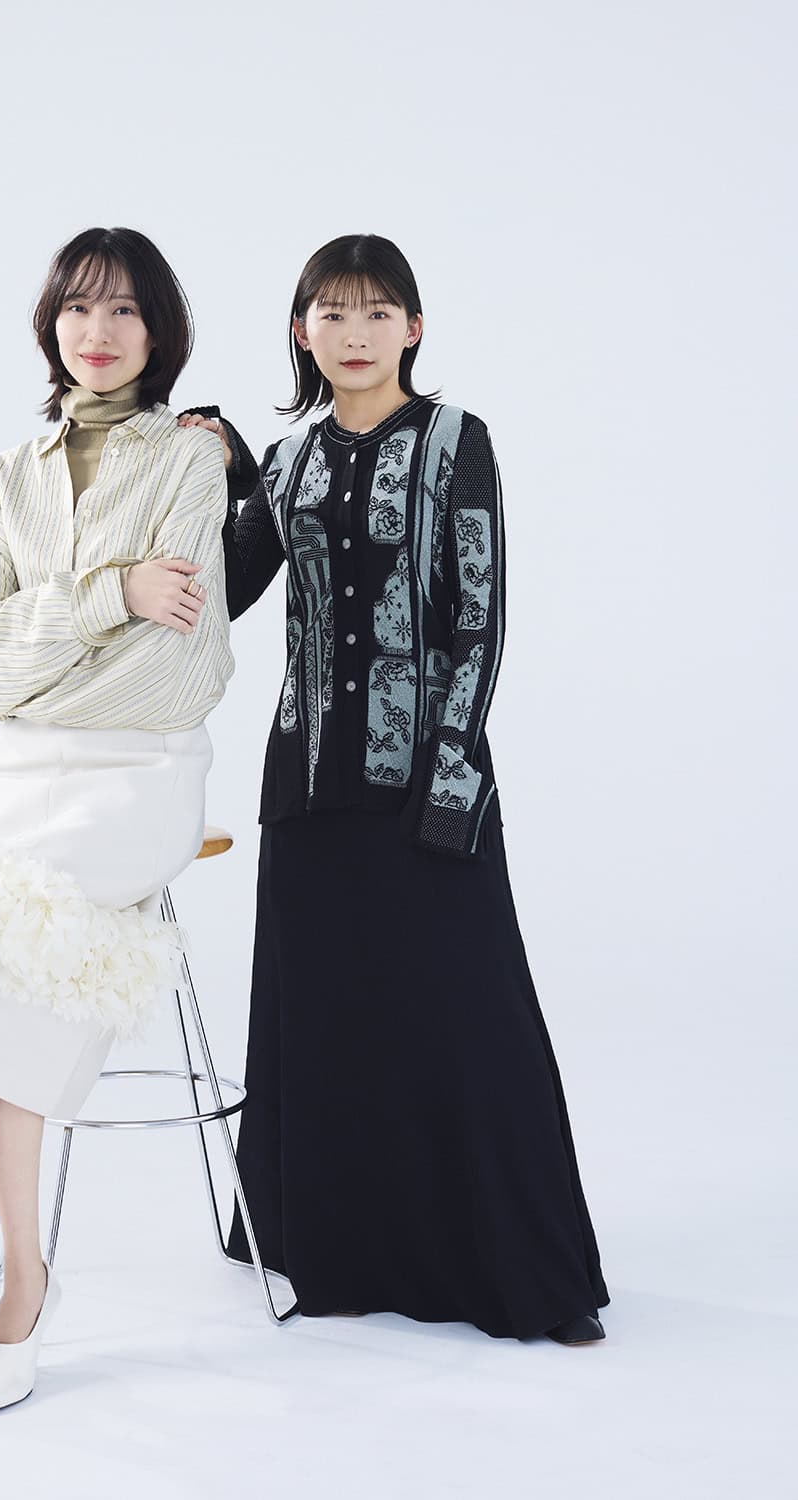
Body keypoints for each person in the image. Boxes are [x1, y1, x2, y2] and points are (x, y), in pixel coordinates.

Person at [0, 227, 255, 1410]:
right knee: (2, 966)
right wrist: (112, 593)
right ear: (49, 324)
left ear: (160, 332)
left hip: (139, 777)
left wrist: (46, 646)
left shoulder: (189, 457)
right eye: (78, 307)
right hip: (20, 777)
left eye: (125, 310)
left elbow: (175, 669)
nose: (99, 331)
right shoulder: (8, 475)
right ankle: (19, 1285)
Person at [179, 234, 609, 1344]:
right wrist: (225, 473)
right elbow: (227, 590)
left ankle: (515, 1269)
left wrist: (453, 779)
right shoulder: (290, 460)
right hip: (307, 782)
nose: (355, 333)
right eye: (332, 312)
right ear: (301, 331)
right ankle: (333, 1248)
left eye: (377, 312)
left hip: (428, 780)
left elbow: (479, 616)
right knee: (325, 1021)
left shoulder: (459, 440)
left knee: (469, 1019)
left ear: (414, 328)